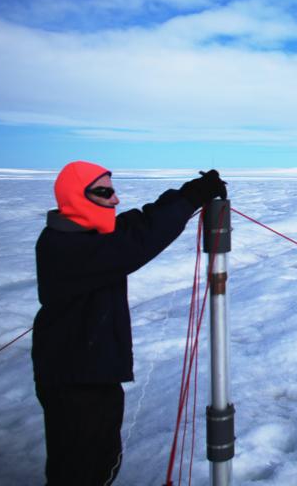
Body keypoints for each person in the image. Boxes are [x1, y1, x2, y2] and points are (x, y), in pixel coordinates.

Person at [31, 161, 226, 485]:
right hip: (76, 383)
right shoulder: (68, 247)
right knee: (82, 472)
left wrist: (189, 194)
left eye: (113, 190)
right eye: (104, 192)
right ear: (77, 197)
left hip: (85, 373)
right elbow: (138, 240)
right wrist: (192, 198)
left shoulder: (78, 234)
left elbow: (135, 224)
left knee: (96, 462)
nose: (115, 199)